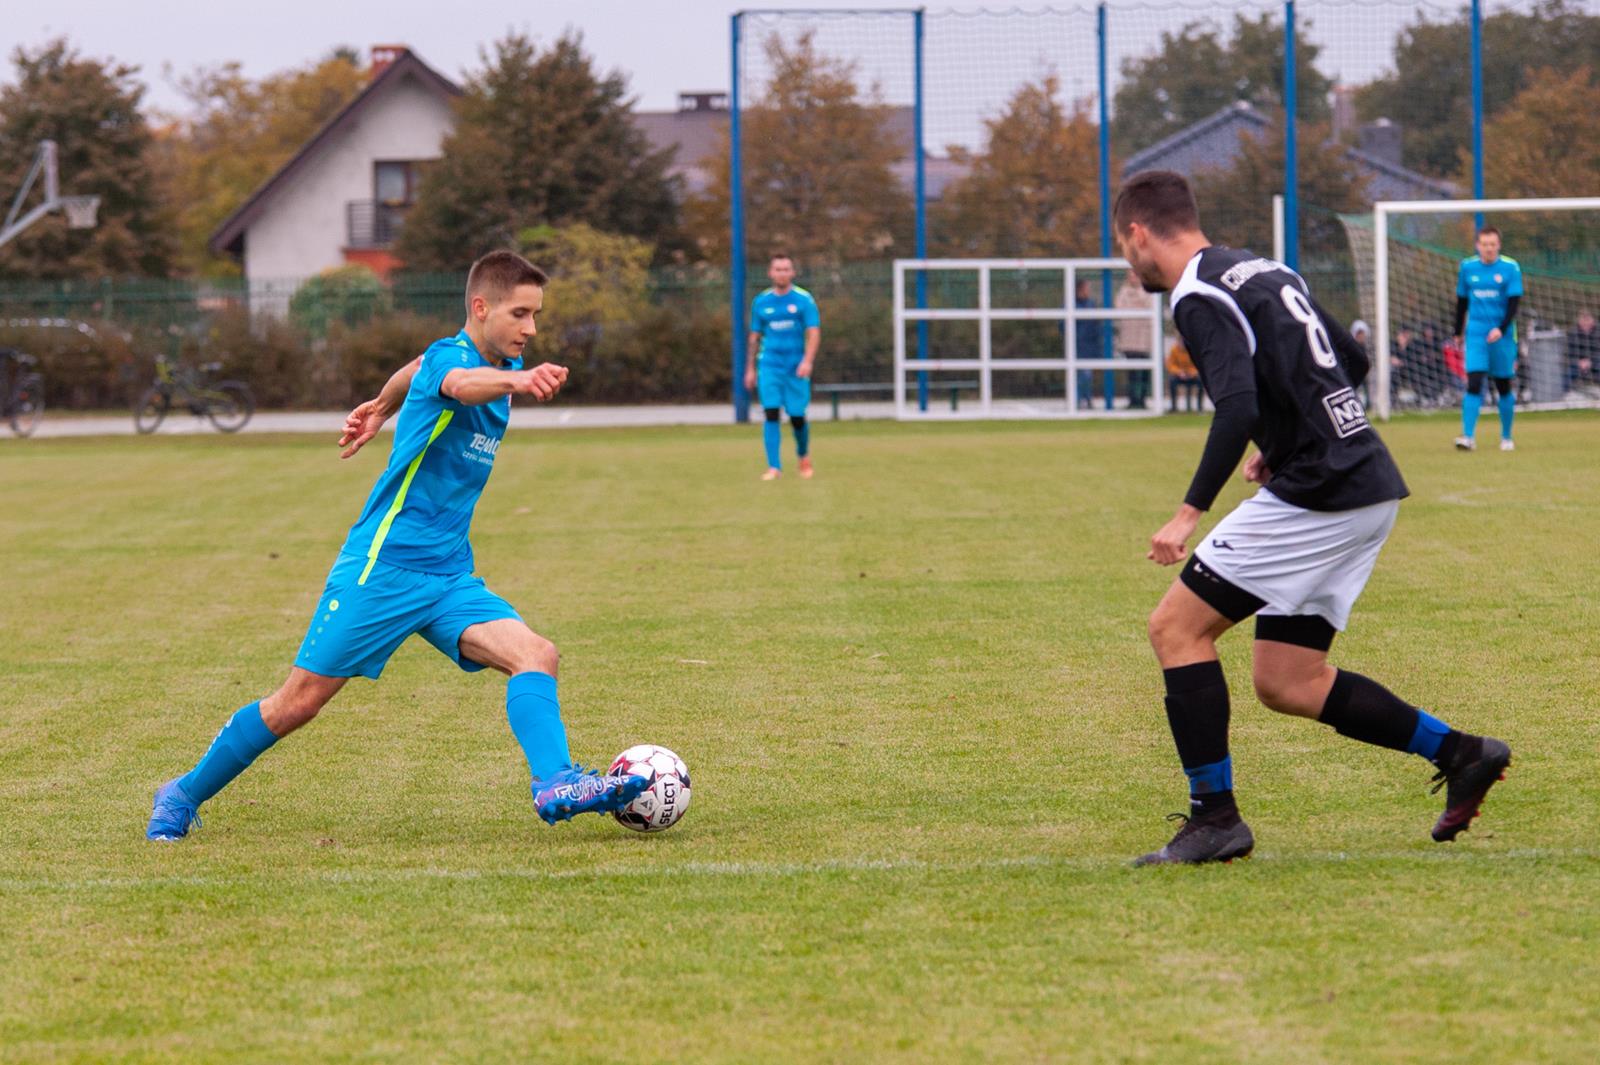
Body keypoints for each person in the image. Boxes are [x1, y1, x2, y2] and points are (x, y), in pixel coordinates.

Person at [146, 252, 652, 841]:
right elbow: (450, 379)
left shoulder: (482, 361)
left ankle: (555, 783)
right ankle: (181, 793)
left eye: (536, 316)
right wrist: (519, 378)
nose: (530, 330)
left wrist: (382, 407)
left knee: (537, 654)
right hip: (382, 570)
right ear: (481, 308)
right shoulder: (463, 362)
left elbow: (412, 370)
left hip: (448, 576)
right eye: (520, 314)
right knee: (297, 704)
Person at [1112, 170, 1511, 866]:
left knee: (1175, 628)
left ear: (1139, 233)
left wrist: (1187, 514)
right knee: (1288, 679)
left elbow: (1235, 405)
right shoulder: (1259, 269)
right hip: (1363, 481)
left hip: (1323, 491)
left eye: (1124, 245)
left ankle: (1215, 818)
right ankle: (1463, 752)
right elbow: (1349, 359)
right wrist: (1289, 442)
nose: (1129, 260)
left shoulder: (1197, 295)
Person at [744, 253, 820, 480]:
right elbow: (753, 338)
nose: (782, 273)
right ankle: (774, 467)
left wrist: (807, 361)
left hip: (796, 367)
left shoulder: (804, 300)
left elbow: (814, 333)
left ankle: (803, 455)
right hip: (769, 366)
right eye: (778, 269)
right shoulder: (761, 302)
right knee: (771, 414)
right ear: (770, 273)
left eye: (786, 269)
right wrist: (749, 369)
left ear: (792, 272)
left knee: (797, 416)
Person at [1453, 227, 1523, 451]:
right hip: (1476, 334)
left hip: (1501, 335)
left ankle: (1506, 437)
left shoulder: (1511, 268)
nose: (1489, 248)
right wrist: (1457, 332)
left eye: (1493, 244)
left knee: (1503, 385)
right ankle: (1468, 437)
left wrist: (1501, 329)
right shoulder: (1467, 267)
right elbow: (1461, 302)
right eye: (1484, 244)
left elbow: (1514, 303)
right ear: (1478, 245)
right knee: (1474, 382)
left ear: (1498, 245)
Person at [1114, 272, 1153, 409]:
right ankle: (1133, 400)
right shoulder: (1123, 292)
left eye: (1136, 275)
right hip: (1129, 340)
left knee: (1143, 374)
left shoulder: (1147, 291)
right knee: (1132, 373)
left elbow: (1150, 307)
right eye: (1131, 275)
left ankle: (1142, 400)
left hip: (1144, 340)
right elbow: (1119, 308)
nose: (1133, 278)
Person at [1075, 277, 1108, 409]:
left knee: (1087, 375)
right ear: (1080, 289)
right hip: (1077, 345)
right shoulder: (1072, 304)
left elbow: (1096, 325)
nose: (1089, 290)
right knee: (1082, 375)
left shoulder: (1091, 304)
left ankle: (1086, 400)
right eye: (1087, 287)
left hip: (1089, 346)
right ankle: (1079, 400)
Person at [1566, 310, 1600, 394]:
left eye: (1588, 320)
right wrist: (1578, 362)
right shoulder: (1572, 333)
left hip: (1596, 362)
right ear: (1579, 321)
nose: (1586, 323)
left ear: (1593, 320)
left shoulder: (1598, 332)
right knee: (1566, 374)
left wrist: (1590, 361)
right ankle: (1561, 397)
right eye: (1583, 320)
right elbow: (1567, 354)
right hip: (1578, 365)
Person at [1165, 339, 1201, 412]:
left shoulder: (1194, 350)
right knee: (1171, 380)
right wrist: (1179, 372)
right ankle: (1174, 407)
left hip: (1192, 375)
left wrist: (1191, 373)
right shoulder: (1174, 350)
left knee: (1201, 381)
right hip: (1179, 375)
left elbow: (1198, 365)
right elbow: (1170, 365)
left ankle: (1199, 407)